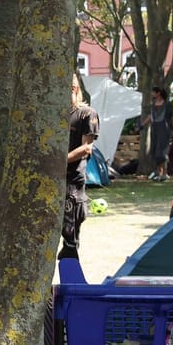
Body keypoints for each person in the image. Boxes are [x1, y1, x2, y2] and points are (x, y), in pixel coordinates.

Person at [62, 76, 100, 260]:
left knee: (70, 236)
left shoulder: (87, 113)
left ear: (74, 89)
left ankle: (71, 280)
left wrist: (61, 161)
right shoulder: (58, 115)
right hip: (55, 179)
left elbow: (87, 148)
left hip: (73, 182)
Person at [142, 86, 173, 181]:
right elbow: (150, 116)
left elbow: (172, 119)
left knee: (162, 152)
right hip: (154, 130)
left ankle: (164, 173)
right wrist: (142, 125)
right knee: (155, 152)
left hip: (164, 130)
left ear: (158, 93)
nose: (152, 94)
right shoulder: (153, 105)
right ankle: (159, 173)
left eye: (153, 92)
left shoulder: (168, 105)